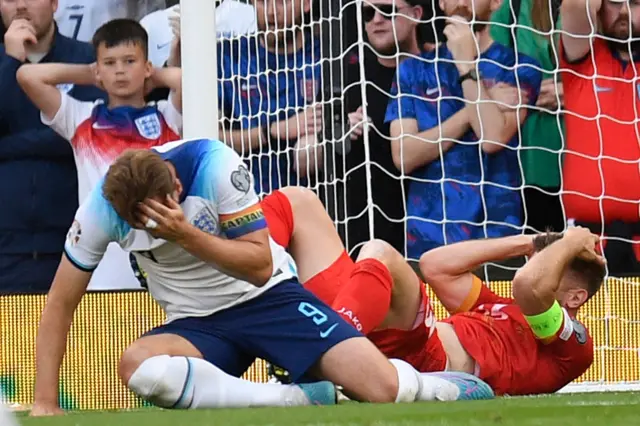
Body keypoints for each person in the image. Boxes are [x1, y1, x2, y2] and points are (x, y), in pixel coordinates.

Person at [30, 138, 494, 416]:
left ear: (174, 187)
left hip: (271, 301)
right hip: (197, 326)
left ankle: (438, 387)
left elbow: (260, 266)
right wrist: (45, 402)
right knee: (138, 366)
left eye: (159, 216)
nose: (150, 230)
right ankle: (290, 399)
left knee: (381, 390)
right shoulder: (101, 209)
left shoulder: (215, 165)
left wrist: (185, 234)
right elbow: (59, 304)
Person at [262, 186, 605, 395]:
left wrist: (573, 238)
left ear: (575, 297)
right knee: (298, 202)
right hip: (363, 322)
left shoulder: (571, 344)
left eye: (553, 264)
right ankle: (246, 291)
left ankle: (324, 346)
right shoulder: (499, 307)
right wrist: (529, 242)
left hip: (423, 355)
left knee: (380, 251)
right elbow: (435, 266)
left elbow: (529, 285)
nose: (536, 264)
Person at [17, 18, 182, 290]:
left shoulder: (167, 115)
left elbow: (192, 82)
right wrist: (91, 73)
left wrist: (154, 77)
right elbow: (27, 76)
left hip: (163, 259)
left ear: (148, 66)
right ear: (98, 70)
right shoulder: (81, 118)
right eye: (110, 63)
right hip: (102, 263)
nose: (120, 71)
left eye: (130, 61)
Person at [385, 0, 542, 259]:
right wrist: (481, 102)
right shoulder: (413, 70)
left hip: (497, 238)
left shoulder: (519, 67)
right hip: (428, 241)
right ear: (440, 3)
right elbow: (403, 155)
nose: (460, 2)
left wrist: (466, 65)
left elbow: (492, 138)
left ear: (496, 2)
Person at [0, 0, 104, 293]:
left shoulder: (88, 60)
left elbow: (92, 136)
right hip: (6, 247)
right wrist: (11, 62)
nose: (20, 5)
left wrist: (8, 146)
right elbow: (67, 134)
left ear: (55, 3)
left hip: (78, 243)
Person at [167, 0, 323, 194]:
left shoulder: (326, 57)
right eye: (262, 3)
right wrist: (273, 132)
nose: (271, 12)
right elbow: (204, 137)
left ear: (306, 4)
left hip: (309, 197)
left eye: (282, 3)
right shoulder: (228, 57)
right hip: (241, 198)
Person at [344, 0, 433, 256]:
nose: (376, 20)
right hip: (368, 235)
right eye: (368, 13)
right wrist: (338, 132)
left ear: (416, 14)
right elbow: (306, 159)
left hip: (438, 227)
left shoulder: (442, 71)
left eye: (388, 10)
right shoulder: (347, 77)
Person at [560, 0, 640, 275]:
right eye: (615, 2)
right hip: (588, 241)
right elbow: (573, 6)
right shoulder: (582, 56)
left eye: (636, 3)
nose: (625, 13)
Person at [491, 0, 565, 234]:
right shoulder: (511, 8)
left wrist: (573, 91)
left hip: (593, 160)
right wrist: (528, 90)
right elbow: (492, 78)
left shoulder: (605, 8)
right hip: (530, 161)